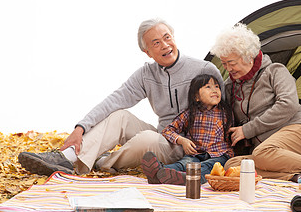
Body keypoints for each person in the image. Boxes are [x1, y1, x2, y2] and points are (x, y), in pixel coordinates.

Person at [18, 18, 224, 176]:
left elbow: (226, 108)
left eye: (167, 37)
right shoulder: (147, 74)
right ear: (147, 52)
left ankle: (102, 162)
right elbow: (115, 100)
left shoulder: (204, 69)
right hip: (163, 137)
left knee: (146, 139)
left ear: (174, 37)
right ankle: (66, 158)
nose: (164, 45)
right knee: (120, 116)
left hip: (189, 147)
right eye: (156, 42)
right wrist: (80, 127)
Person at [209, 23, 301, 182]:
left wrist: (247, 130)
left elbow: (288, 104)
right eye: (224, 63)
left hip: (300, 132)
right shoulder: (229, 87)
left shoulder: (275, 71)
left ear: (248, 56)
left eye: (231, 63)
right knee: (232, 165)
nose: (228, 68)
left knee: (261, 153)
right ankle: (300, 177)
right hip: (268, 154)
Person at [141, 74, 234, 185]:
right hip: (195, 154)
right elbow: (168, 131)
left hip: (220, 154)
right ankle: (157, 173)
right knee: (183, 164)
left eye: (217, 87)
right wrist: (182, 140)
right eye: (208, 87)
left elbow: (231, 135)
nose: (214, 90)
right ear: (196, 97)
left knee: (209, 166)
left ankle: (191, 179)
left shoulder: (226, 112)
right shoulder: (190, 113)